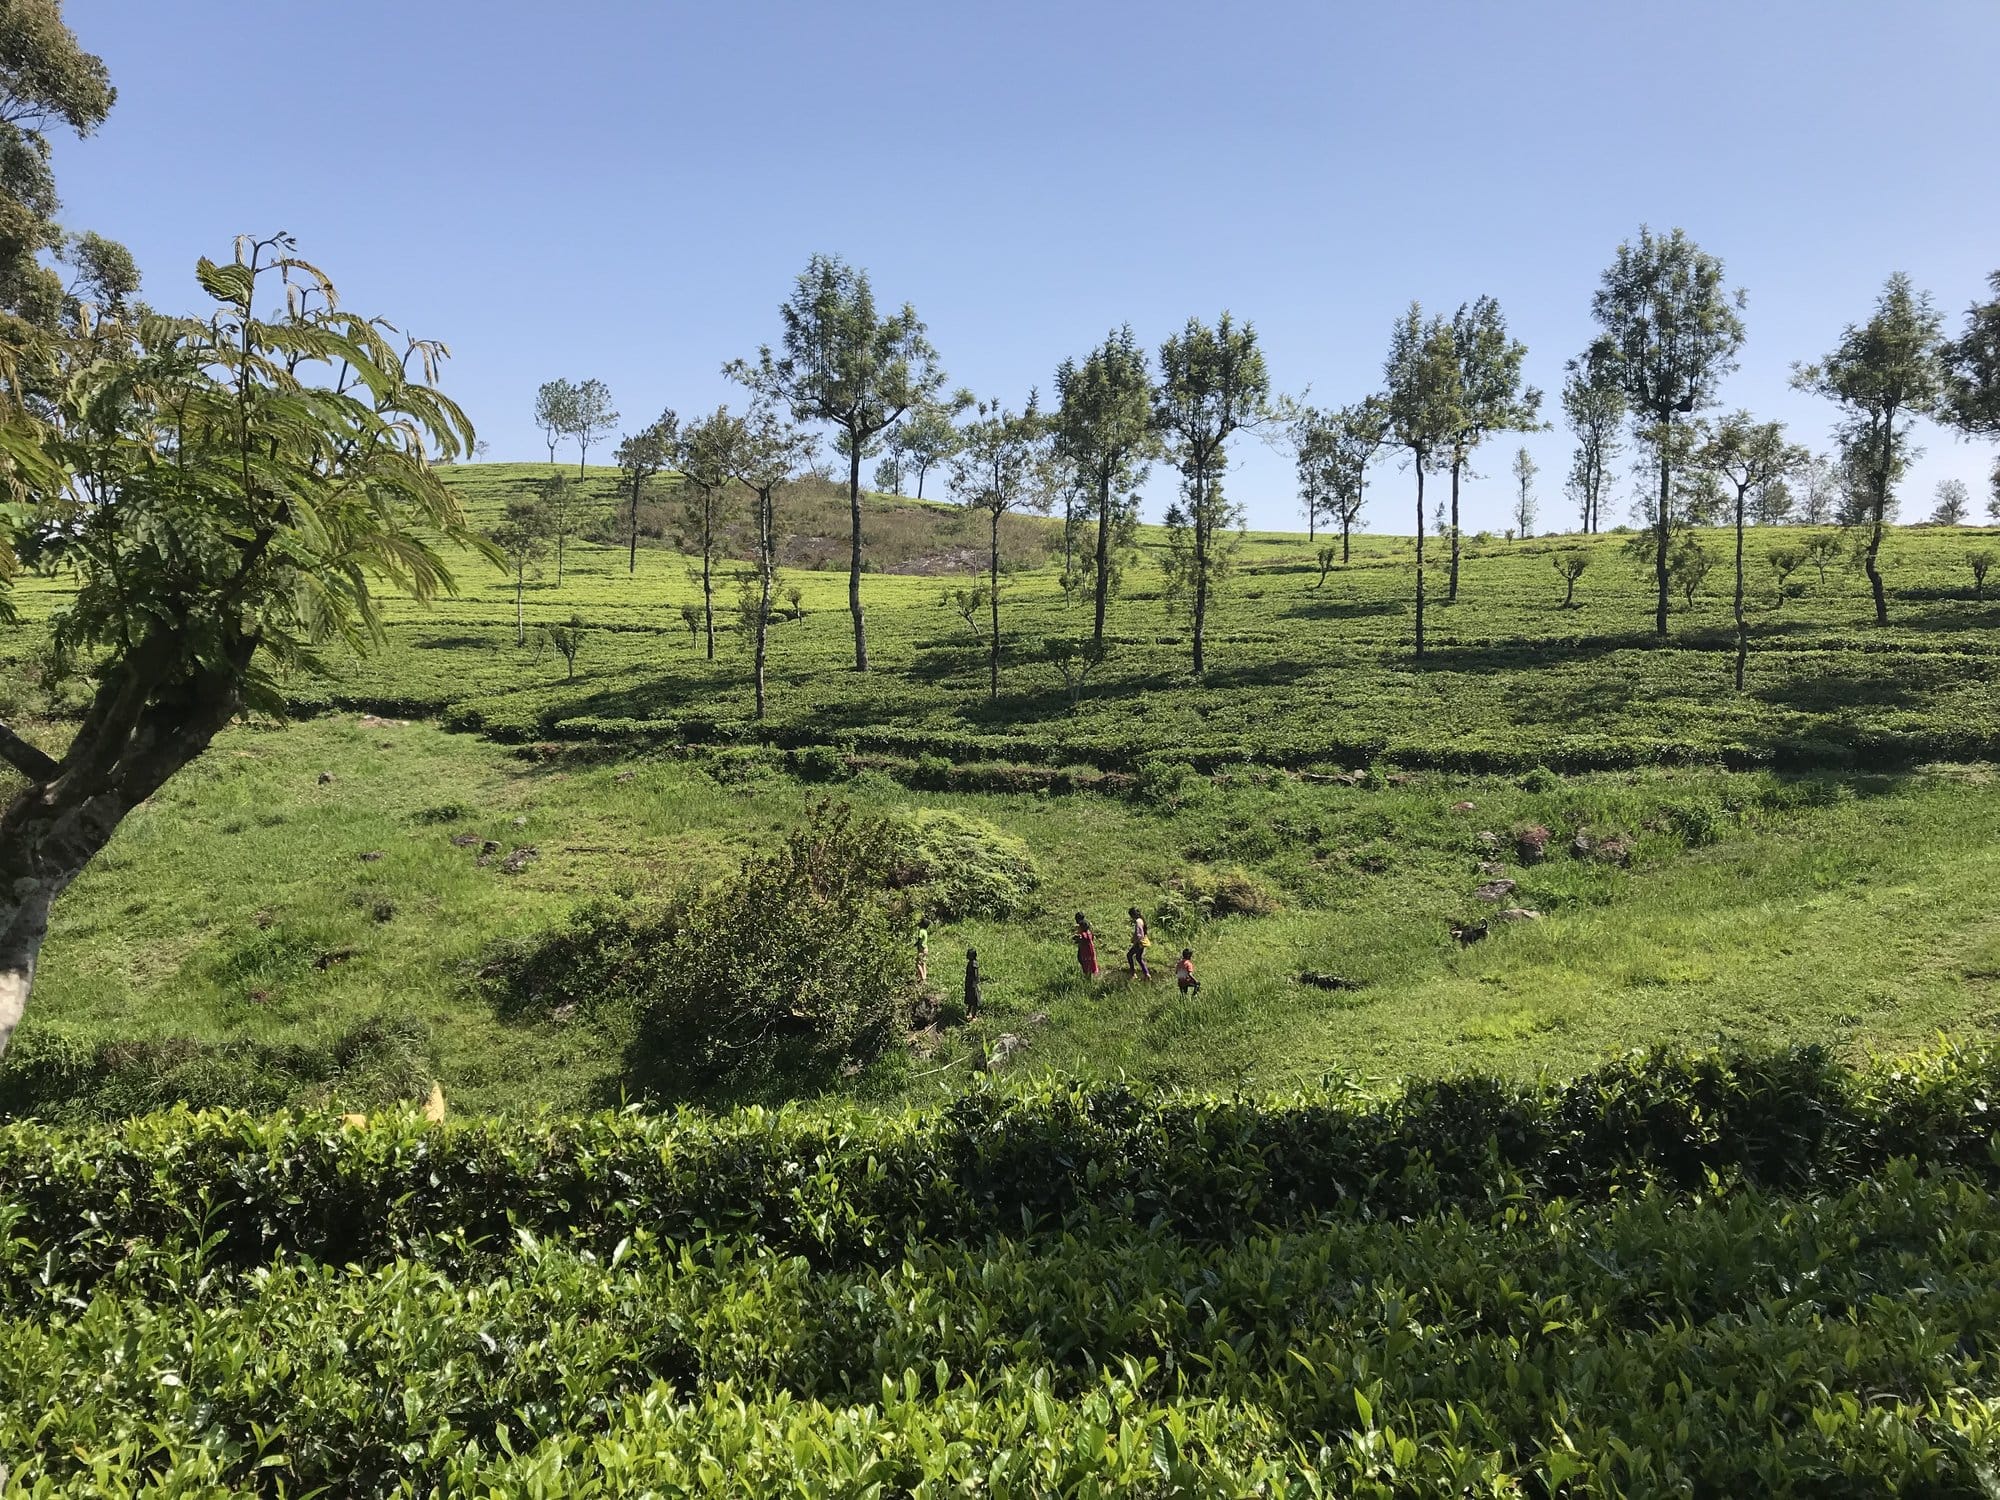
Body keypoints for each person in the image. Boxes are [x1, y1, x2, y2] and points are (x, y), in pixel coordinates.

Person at [1125, 906, 1153, 979]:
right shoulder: (1141, 920)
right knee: (1138, 958)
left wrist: (1135, 942)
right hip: (1142, 942)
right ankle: (1146, 974)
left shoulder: (1138, 921)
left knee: (1129, 955)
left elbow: (1139, 934)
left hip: (1139, 943)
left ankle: (1133, 974)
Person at [1073, 913, 1100, 980]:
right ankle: (1089, 976)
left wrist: (1077, 938)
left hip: (1085, 952)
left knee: (1084, 962)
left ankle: (1087, 977)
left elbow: (1082, 937)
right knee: (1089, 963)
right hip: (1090, 950)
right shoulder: (1089, 932)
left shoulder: (1083, 934)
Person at [963, 948, 982, 1020]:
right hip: (969, 983)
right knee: (970, 999)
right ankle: (968, 1013)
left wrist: (975, 984)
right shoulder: (971, 962)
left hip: (972, 984)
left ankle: (973, 1015)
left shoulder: (974, 964)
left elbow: (975, 975)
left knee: (974, 1000)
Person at [914, 916, 930, 986]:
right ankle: (924, 978)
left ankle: (922, 979)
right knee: (923, 963)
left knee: (918, 964)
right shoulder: (925, 931)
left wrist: (915, 944)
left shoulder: (921, 931)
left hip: (921, 949)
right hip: (926, 948)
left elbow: (919, 939)